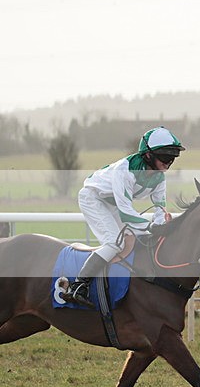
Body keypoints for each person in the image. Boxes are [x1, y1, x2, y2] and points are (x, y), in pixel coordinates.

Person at [63, 126, 186, 307]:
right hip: (93, 198)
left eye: (173, 158)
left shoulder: (160, 178)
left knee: (142, 237)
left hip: (111, 204)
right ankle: (79, 285)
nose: (169, 163)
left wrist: (159, 227)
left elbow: (160, 208)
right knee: (115, 242)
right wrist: (151, 226)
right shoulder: (125, 170)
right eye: (166, 157)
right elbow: (126, 212)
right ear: (148, 155)